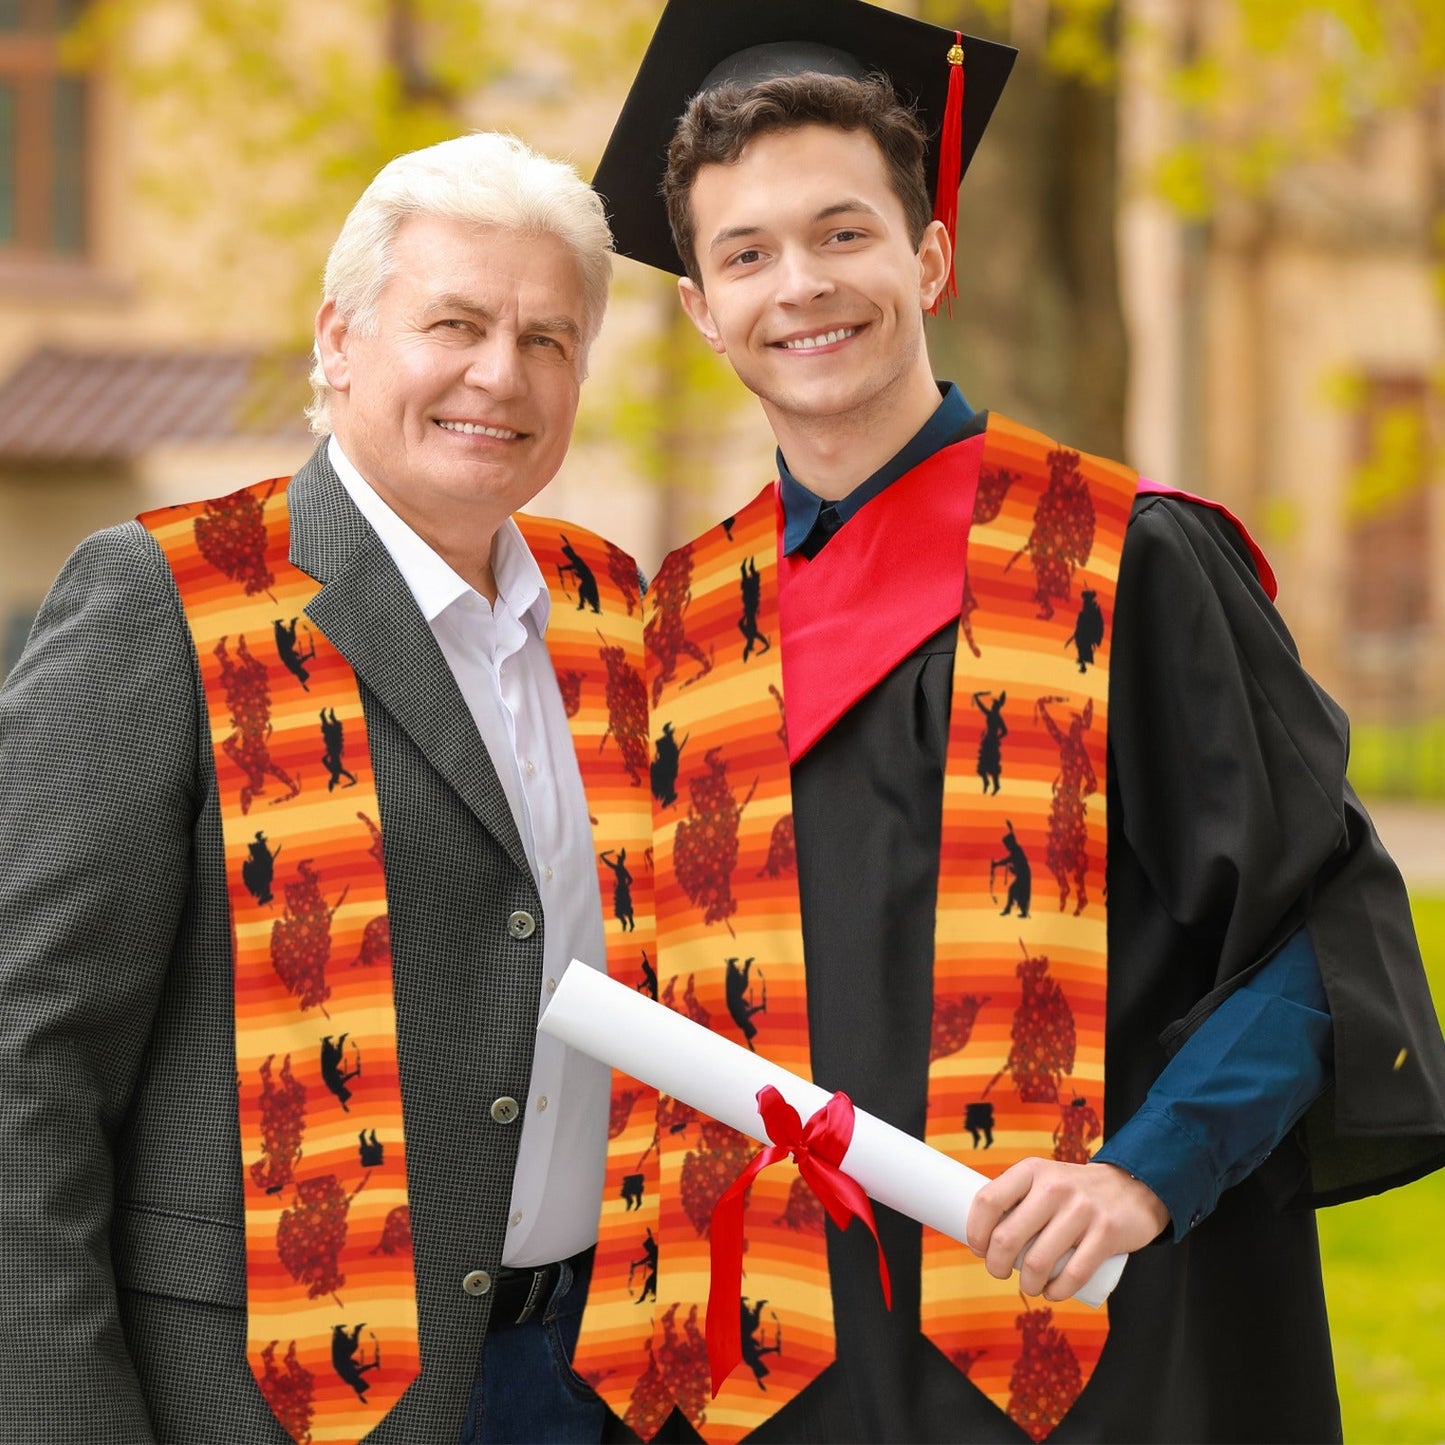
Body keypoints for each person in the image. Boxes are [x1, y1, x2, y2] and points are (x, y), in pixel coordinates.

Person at [571, 2, 1445, 1441]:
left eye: (842, 233)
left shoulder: (1126, 561)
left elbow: (1317, 930)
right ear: (700, 306)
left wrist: (1144, 1172)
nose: (800, 285)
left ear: (928, 254)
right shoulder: (683, 623)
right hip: (778, 1374)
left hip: (1090, 1339)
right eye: (745, 254)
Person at [0, 132, 655, 1445]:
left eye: (546, 338)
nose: (499, 373)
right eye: (455, 322)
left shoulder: (609, 608)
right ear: (340, 339)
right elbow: (27, 1061)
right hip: (272, 1399)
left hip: (594, 1379)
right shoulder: (170, 598)